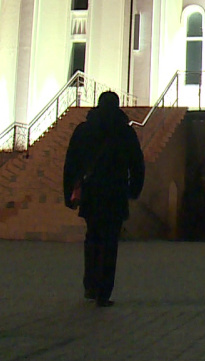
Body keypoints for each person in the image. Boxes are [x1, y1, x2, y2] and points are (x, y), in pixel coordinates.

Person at [62, 91, 145, 307]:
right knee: (110, 244)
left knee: (92, 239)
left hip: (91, 194)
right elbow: (137, 164)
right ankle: (104, 293)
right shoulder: (124, 132)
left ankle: (90, 285)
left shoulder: (84, 130)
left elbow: (71, 163)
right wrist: (134, 189)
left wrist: (68, 193)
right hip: (115, 195)